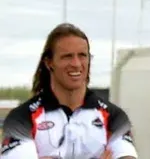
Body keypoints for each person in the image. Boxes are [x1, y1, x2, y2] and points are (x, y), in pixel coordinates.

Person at [1, 23, 137, 159]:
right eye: (67, 56)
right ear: (49, 62)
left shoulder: (114, 116)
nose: (76, 64)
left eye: (82, 55)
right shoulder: (20, 119)